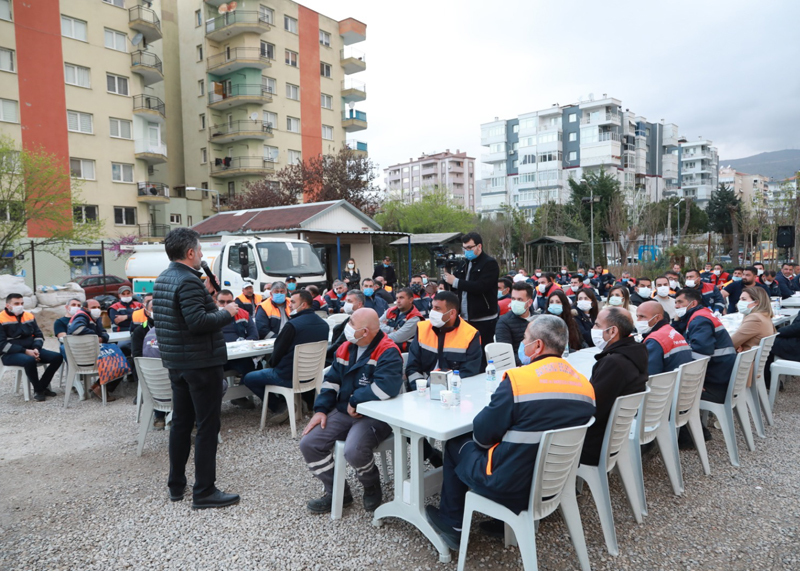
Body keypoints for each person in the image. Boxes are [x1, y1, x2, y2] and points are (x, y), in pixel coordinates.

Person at [424, 316, 596, 549]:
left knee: (456, 443)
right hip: (555, 478)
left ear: (537, 346)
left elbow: (483, 435)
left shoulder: (519, 380)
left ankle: (452, 523)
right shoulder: (585, 386)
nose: (522, 344)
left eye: (525, 338)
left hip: (510, 483)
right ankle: (499, 519)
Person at [151, 227, 240, 509]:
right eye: (200, 251)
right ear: (190, 253)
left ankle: (176, 485)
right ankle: (204, 490)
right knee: (206, 426)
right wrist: (227, 312)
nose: (202, 255)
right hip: (200, 364)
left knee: (181, 424)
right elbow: (198, 322)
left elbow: (181, 319)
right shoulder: (187, 281)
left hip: (178, 363)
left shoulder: (164, 278)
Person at [299, 308, 404, 514]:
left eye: (352, 323)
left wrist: (355, 400)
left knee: (353, 450)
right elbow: (332, 382)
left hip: (376, 416)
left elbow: (386, 388)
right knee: (309, 443)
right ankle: (337, 492)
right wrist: (320, 410)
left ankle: (371, 483)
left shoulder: (388, 351)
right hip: (344, 410)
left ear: (364, 332)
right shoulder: (346, 347)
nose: (347, 326)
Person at [242, 289, 329, 424]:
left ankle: (279, 405)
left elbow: (277, 353)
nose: (290, 305)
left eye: (293, 302)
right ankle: (302, 401)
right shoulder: (324, 325)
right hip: (313, 376)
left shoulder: (292, 325)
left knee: (248, 378)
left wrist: (271, 365)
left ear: (304, 305)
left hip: (287, 377)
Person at [580, 307, 648, 466]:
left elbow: (593, 408)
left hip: (593, 443)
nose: (593, 329)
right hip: (612, 435)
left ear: (612, 332)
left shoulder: (615, 363)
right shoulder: (634, 352)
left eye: (597, 325)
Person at [441, 232, 500, 364]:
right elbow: (454, 285)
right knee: (468, 354)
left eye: (469, 248)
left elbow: (480, 286)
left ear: (479, 246)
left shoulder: (489, 264)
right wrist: (446, 275)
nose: (467, 251)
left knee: (483, 355)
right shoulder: (464, 264)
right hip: (465, 317)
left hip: (484, 318)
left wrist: (455, 281)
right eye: (464, 248)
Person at [673, 288, 736, 405]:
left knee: (668, 392)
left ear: (693, 303)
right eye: (675, 302)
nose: (676, 306)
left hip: (715, 383)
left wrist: (693, 381)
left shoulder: (699, 320)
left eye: (680, 302)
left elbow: (700, 354)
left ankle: (689, 423)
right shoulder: (701, 314)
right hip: (721, 374)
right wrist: (677, 320)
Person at [406, 291, 483, 384]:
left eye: (437, 308)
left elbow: (469, 372)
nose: (432, 312)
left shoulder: (470, 334)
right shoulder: (422, 328)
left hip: (455, 389)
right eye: (432, 307)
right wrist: (419, 387)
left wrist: (445, 388)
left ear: (452, 313)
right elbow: (412, 366)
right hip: (422, 388)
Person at [0, 293, 63, 402]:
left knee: (57, 357)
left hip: (32, 350)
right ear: (7, 305)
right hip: (10, 354)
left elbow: (39, 335)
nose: (20, 305)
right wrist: (25, 351)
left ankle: (42, 386)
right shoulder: (1, 319)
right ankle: (38, 391)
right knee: (29, 360)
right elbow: (2, 345)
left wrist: (36, 349)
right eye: (16, 303)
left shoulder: (29, 316)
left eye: (21, 303)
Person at [131, 299, 167, 429]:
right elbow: (137, 356)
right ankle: (160, 415)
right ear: (146, 311)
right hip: (150, 372)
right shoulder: (140, 331)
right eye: (154, 308)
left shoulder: (171, 327)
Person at [636, 301, 692, 376]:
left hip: (664, 385)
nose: (638, 321)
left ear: (657, 318)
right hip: (680, 382)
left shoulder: (655, 340)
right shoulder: (672, 331)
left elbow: (649, 374)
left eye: (642, 316)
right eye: (637, 316)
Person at [216, 289, 259, 378]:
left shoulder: (243, 314)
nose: (225, 305)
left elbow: (254, 335)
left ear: (233, 302)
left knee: (255, 369)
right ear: (216, 302)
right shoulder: (211, 317)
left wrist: (241, 345)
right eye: (221, 302)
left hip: (240, 356)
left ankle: (246, 390)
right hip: (219, 357)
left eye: (229, 302)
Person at [495, 281, 536, 365]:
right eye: (513, 299)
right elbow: (505, 354)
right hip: (518, 367)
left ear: (529, 302)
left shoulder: (538, 319)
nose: (515, 302)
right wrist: (530, 362)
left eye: (520, 299)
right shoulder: (504, 322)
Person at [730, 287, 776, 353]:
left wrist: (737, 345)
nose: (739, 302)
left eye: (744, 299)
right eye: (740, 299)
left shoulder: (755, 318)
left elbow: (731, 343)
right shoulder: (764, 316)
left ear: (756, 302)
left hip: (744, 360)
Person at [326, 289, 365, 366]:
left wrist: (323, 355)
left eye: (350, 301)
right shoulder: (351, 318)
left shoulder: (359, 320)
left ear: (359, 304)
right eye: (346, 301)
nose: (346, 304)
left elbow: (340, 343)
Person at [379, 287, 424, 352]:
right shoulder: (390, 311)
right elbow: (376, 325)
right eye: (397, 298)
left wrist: (378, 337)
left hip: (406, 352)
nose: (398, 301)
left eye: (401, 298)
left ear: (411, 300)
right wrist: (391, 329)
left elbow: (397, 337)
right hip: (388, 348)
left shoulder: (415, 318)